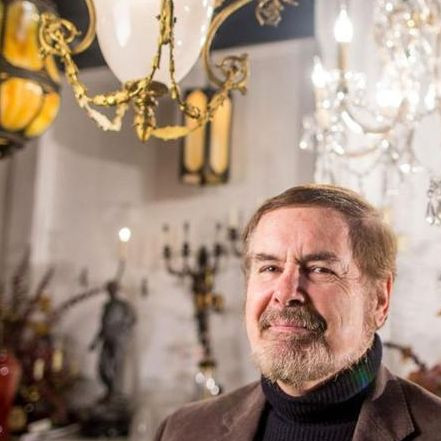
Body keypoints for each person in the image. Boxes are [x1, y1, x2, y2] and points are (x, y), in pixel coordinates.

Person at [154, 184, 441, 441]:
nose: (286, 293)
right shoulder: (181, 431)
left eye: (320, 269)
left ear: (379, 300)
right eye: (270, 268)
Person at [89, 280, 136, 402]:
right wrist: (95, 341)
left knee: (117, 367)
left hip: (118, 340)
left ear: (117, 290)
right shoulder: (107, 306)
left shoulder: (123, 305)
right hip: (107, 339)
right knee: (102, 368)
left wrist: (121, 331)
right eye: (109, 289)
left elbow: (132, 320)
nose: (111, 291)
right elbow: (103, 325)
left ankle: (115, 393)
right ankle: (110, 391)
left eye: (113, 289)